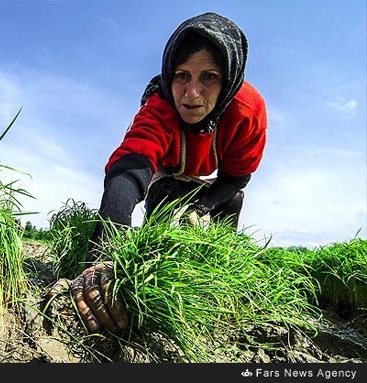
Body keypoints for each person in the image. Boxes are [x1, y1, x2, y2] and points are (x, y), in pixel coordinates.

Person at [51, 11, 268, 335]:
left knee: (231, 201)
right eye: (181, 75)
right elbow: (127, 171)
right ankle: (154, 277)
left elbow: (237, 176)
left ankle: (214, 283)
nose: (191, 93)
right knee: (161, 221)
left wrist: (201, 207)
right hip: (165, 175)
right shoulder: (159, 107)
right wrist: (103, 256)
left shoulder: (247, 111)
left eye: (208, 76)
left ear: (228, 79)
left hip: (207, 180)